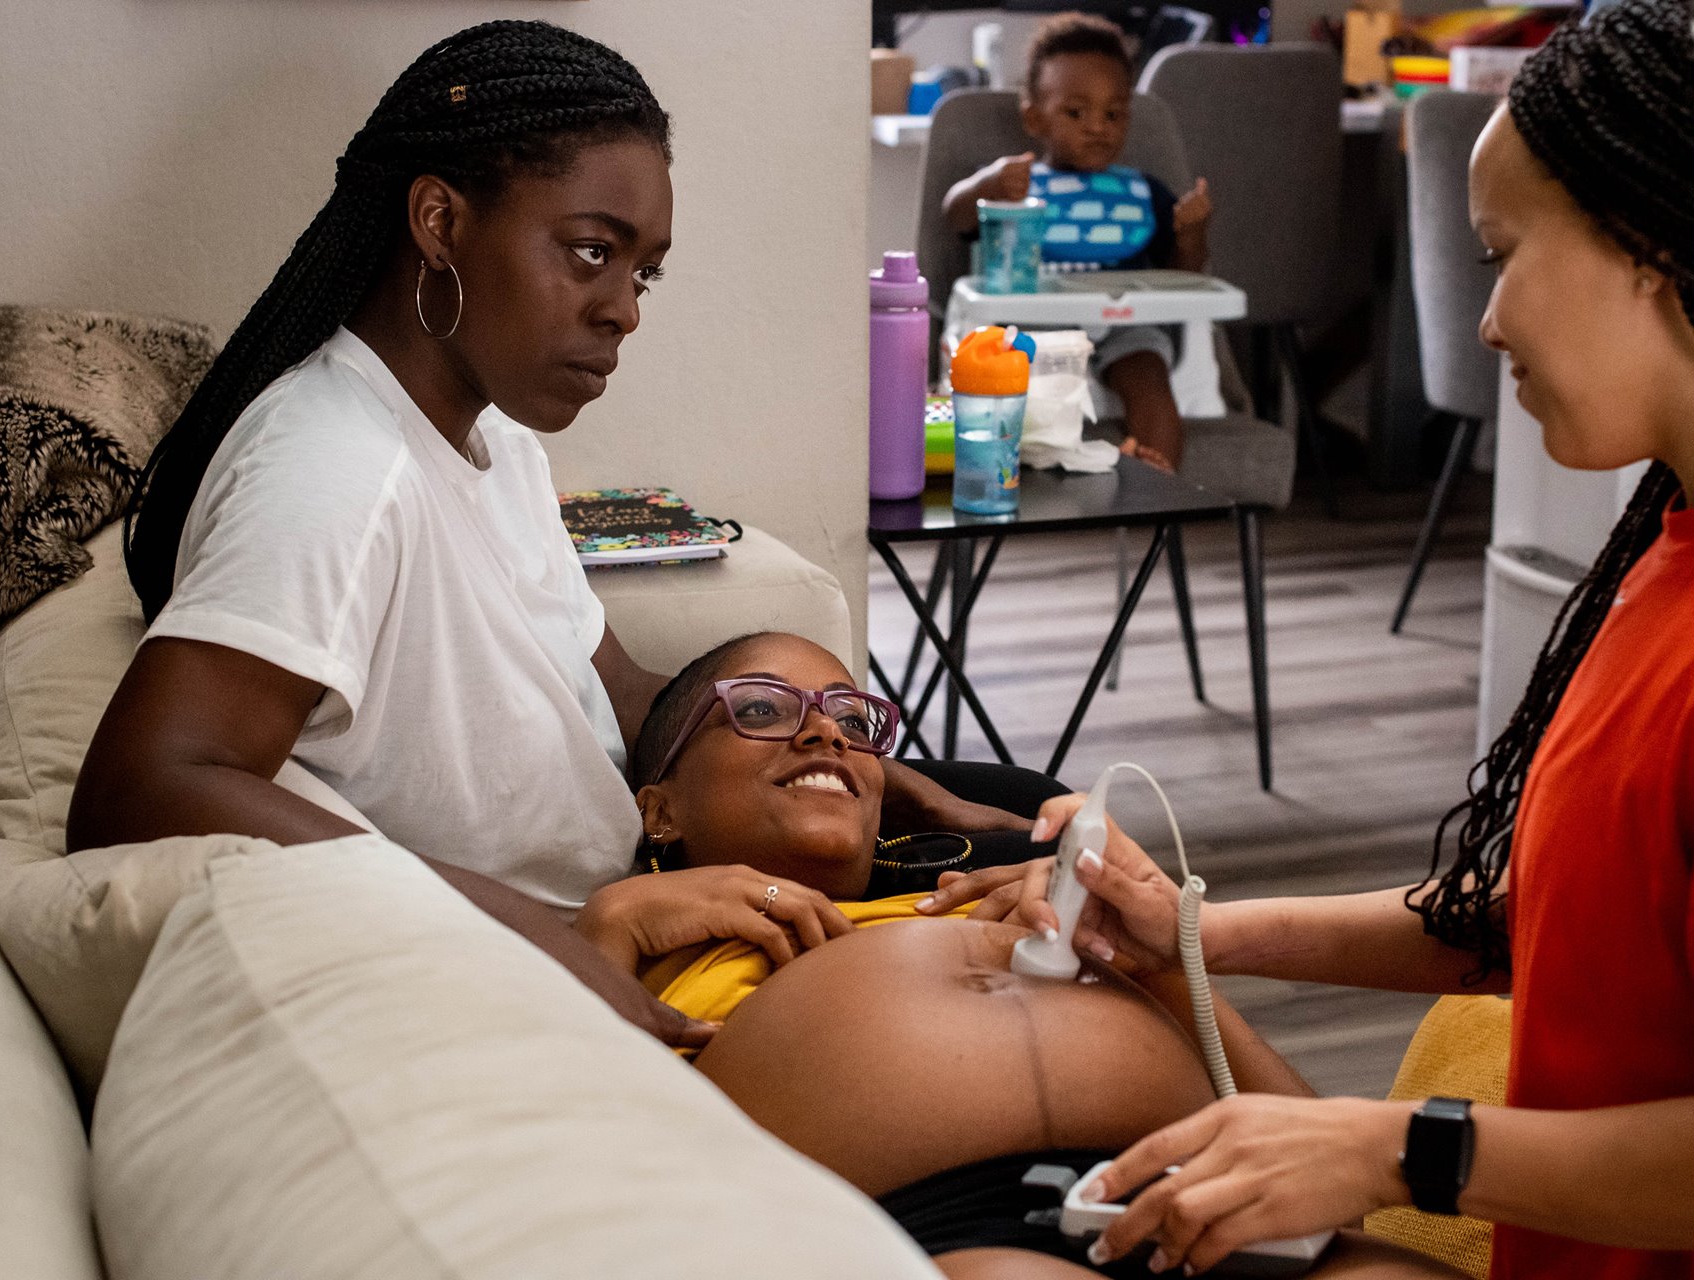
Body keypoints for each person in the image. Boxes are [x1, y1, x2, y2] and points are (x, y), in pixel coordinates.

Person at [924, 1, 1694, 1274]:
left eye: (1504, 253)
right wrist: (1196, 930)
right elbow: (1575, 919)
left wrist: (1403, 1146)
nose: (1489, 319)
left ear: (1654, 246)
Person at [64, 20, 1018, 1052]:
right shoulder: (339, 468)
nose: (624, 312)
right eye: (592, 252)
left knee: (1026, 814)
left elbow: (612, 684)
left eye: (640, 272)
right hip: (581, 933)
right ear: (439, 221)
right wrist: (552, 939)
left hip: (643, 856)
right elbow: (142, 783)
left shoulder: (487, 433)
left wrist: (856, 763)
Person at [576, 629, 1466, 1280]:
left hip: (1206, 1198)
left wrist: (1155, 961)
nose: (824, 735)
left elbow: (1326, 1174)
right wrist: (609, 932)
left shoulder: (1009, 895)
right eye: (761, 710)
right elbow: (570, 1172)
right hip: (934, 1234)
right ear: (660, 812)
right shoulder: (649, 939)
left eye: (853, 719)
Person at [942, 12, 1213, 472]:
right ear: (1033, 116)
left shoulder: (1144, 194)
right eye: (1076, 112)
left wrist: (1191, 234)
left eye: (1113, 113)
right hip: (1033, 328)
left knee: (1151, 383)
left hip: (1124, 326)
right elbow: (955, 216)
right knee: (1006, 393)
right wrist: (984, 186)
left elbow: (1183, 278)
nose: (1097, 126)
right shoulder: (1017, 186)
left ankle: (1159, 482)